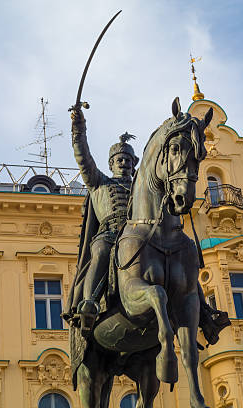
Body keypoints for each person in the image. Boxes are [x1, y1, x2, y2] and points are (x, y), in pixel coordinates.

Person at [64, 106, 138, 336]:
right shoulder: (100, 183)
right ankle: (89, 303)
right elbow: (83, 158)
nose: (124, 163)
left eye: (128, 160)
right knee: (101, 253)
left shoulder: (141, 188)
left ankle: (201, 312)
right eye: (119, 160)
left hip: (138, 235)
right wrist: (79, 129)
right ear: (111, 164)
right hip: (108, 233)